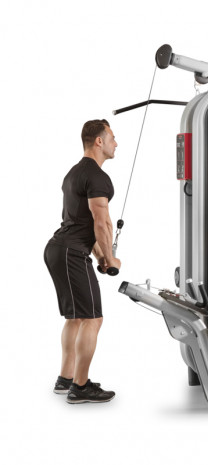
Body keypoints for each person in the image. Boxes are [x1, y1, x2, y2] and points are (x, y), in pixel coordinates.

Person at [44, 119, 121, 404]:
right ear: (99, 141)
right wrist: (110, 258)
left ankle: (66, 379)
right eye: (112, 137)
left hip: (60, 250)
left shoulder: (75, 172)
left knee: (76, 318)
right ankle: (80, 386)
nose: (116, 143)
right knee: (93, 318)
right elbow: (101, 222)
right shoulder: (97, 176)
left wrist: (101, 258)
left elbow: (81, 223)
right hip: (71, 253)